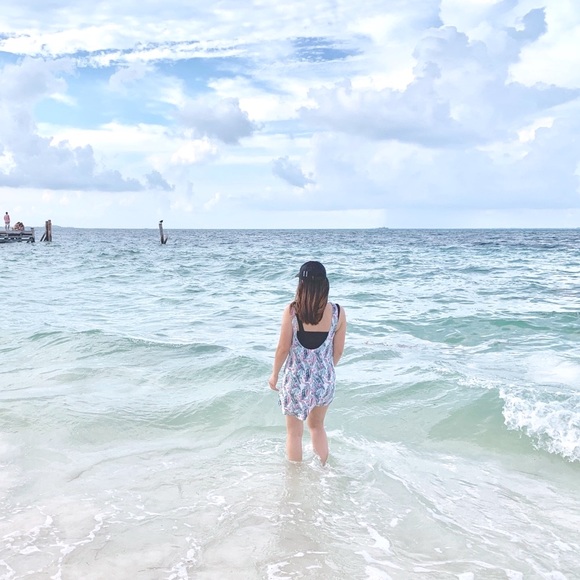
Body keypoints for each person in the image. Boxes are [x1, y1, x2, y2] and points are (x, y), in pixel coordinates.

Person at [269, 261, 347, 465]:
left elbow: (283, 348)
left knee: (294, 433)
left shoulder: (292, 311)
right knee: (317, 427)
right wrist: (324, 370)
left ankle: (295, 476)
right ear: (325, 285)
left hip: (296, 381)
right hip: (324, 380)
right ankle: (323, 471)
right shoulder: (338, 312)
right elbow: (338, 351)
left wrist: (274, 374)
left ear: (301, 285)